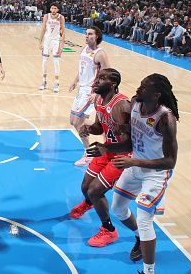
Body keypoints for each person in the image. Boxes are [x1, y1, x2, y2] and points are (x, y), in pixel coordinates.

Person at [92, 74, 179, 274]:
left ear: (156, 95)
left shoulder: (165, 118)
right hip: (136, 164)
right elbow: (130, 142)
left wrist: (133, 161)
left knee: (144, 217)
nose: (138, 89)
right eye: (140, 85)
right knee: (118, 208)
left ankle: (149, 271)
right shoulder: (135, 105)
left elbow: (170, 161)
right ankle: (141, 238)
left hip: (156, 172)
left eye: (144, 87)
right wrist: (107, 148)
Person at [70, 68, 131, 247]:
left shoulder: (121, 106)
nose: (96, 80)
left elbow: (130, 144)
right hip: (107, 149)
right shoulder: (99, 100)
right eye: (98, 77)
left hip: (122, 155)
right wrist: (88, 128)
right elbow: (99, 126)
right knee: (85, 187)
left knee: (95, 190)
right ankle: (89, 203)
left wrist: (104, 148)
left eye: (102, 78)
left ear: (113, 84)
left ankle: (109, 230)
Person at [69, 26, 111, 166]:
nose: (86, 36)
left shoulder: (100, 54)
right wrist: (75, 81)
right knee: (73, 121)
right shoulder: (83, 50)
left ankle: (88, 153)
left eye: (90, 34)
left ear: (97, 36)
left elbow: (107, 76)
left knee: (76, 122)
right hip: (81, 89)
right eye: (86, 34)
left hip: (90, 91)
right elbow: (82, 70)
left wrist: (96, 92)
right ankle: (103, 129)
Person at [38, 4, 65, 92]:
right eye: (52, 8)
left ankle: (57, 82)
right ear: (50, 8)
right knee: (44, 61)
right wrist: (40, 42)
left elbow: (63, 32)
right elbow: (43, 29)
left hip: (56, 41)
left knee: (56, 62)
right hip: (47, 41)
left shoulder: (61, 17)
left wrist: (61, 46)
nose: (53, 10)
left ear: (58, 9)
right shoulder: (46, 16)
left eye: (55, 8)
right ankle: (44, 81)